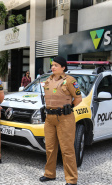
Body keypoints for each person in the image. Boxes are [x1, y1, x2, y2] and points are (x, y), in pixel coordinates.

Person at [39, 56, 82, 185]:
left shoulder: (70, 81)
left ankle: (71, 179)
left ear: (63, 67)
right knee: (50, 148)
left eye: (56, 65)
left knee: (67, 149)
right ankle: (50, 174)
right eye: (52, 65)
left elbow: (78, 99)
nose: (53, 67)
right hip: (50, 118)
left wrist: (68, 108)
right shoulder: (48, 80)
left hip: (65, 118)